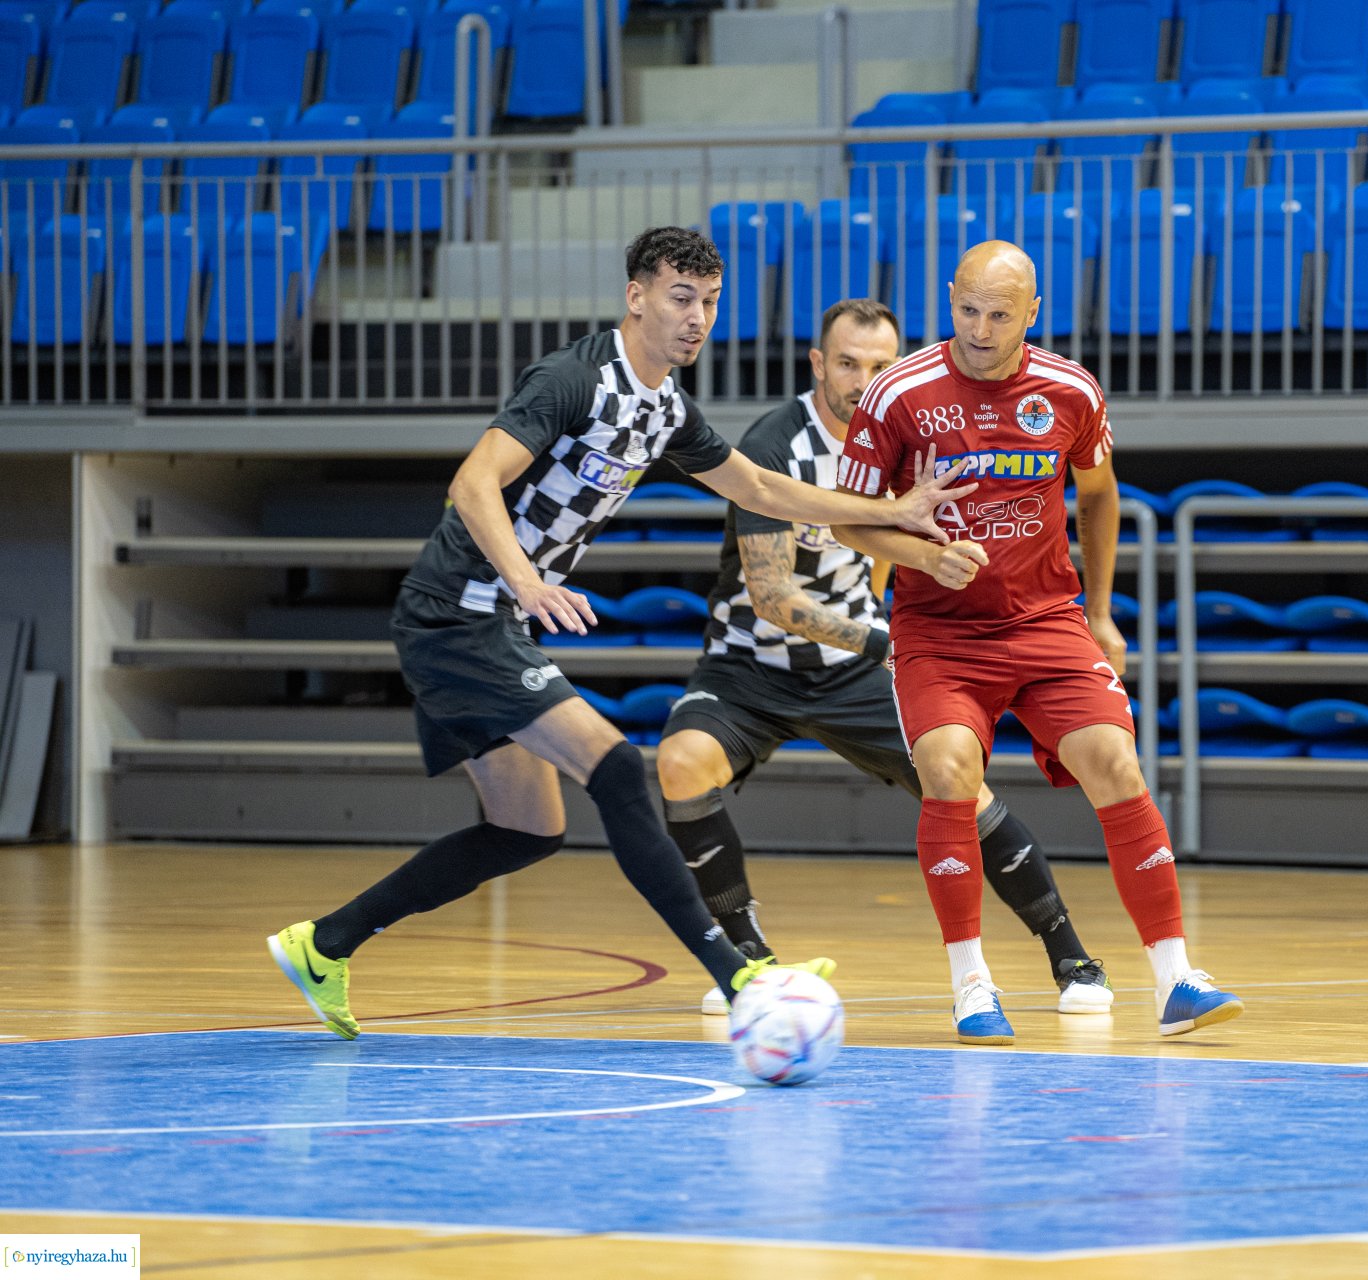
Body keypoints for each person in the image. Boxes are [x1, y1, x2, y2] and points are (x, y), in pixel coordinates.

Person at [266, 227, 973, 1039]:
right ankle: (739, 972)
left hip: (481, 619)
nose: (696, 318)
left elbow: (760, 486)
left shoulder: (666, 408)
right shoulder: (575, 379)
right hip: (455, 613)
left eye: (710, 302)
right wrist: (526, 580)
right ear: (636, 296)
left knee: (526, 829)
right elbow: (473, 482)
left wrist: (891, 511)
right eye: (680, 298)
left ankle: (325, 944)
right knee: (613, 768)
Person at [832, 241, 1244, 1044]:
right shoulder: (898, 394)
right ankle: (971, 984)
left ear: (1033, 312)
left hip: (1047, 620)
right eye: (967, 310)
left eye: (999, 314)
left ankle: (1175, 979)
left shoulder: (1070, 389)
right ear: (950, 297)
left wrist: (1101, 612)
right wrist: (921, 553)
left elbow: (1099, 494)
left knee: (1116, 762)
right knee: (949, 771)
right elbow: (844, 516)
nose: (980, 330)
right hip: (940, 633)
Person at [654, 297, 1114, 1017]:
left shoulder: (912, 433)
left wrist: (881, 625)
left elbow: (881, 560)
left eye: (880, 365)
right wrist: (882, 639)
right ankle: (747, 965)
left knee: (959, 784)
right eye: (847, 363)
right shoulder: (776, 444)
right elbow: (773, 596)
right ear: (818, 364)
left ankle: (1071, 955)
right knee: (680, 763)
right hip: (749, 665)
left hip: (856, 671)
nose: (863, 380)